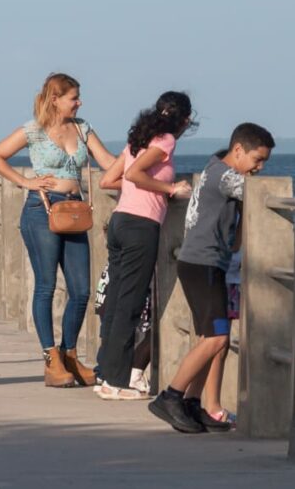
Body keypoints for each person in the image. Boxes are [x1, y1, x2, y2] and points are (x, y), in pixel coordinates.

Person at [0, 73, 116, 388]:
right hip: (42, 210)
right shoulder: (33, 130)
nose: (79, 102)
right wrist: (26, 181)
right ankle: (51, 358)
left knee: (81, 289)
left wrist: (143, 165)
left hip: (74, 210)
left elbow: (108, 161)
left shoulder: (83, 128)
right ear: (55, 99)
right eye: (73, 97)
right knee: (46, 285)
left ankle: (69, 353)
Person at [148, 123, 275, 433]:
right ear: (238, 150)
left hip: (206, 265)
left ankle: (193, 402)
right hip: (202, 266)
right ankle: (170, 396)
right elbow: (259, 194)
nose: (258, 168)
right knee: (217, 338)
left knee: (213, 340)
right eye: (257, 160)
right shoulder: (226, 177)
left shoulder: (215, 168)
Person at [94, 92, 194, 400]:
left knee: (116, 302)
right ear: (186, 120)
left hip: (121, 221)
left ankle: (106, 375)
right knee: (130, 304)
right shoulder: (165, 141)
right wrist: (169, 189)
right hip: (141, 226)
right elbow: (136, 175)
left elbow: (108, 180)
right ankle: (117, 382)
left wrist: (142, 186)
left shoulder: (138, 140)